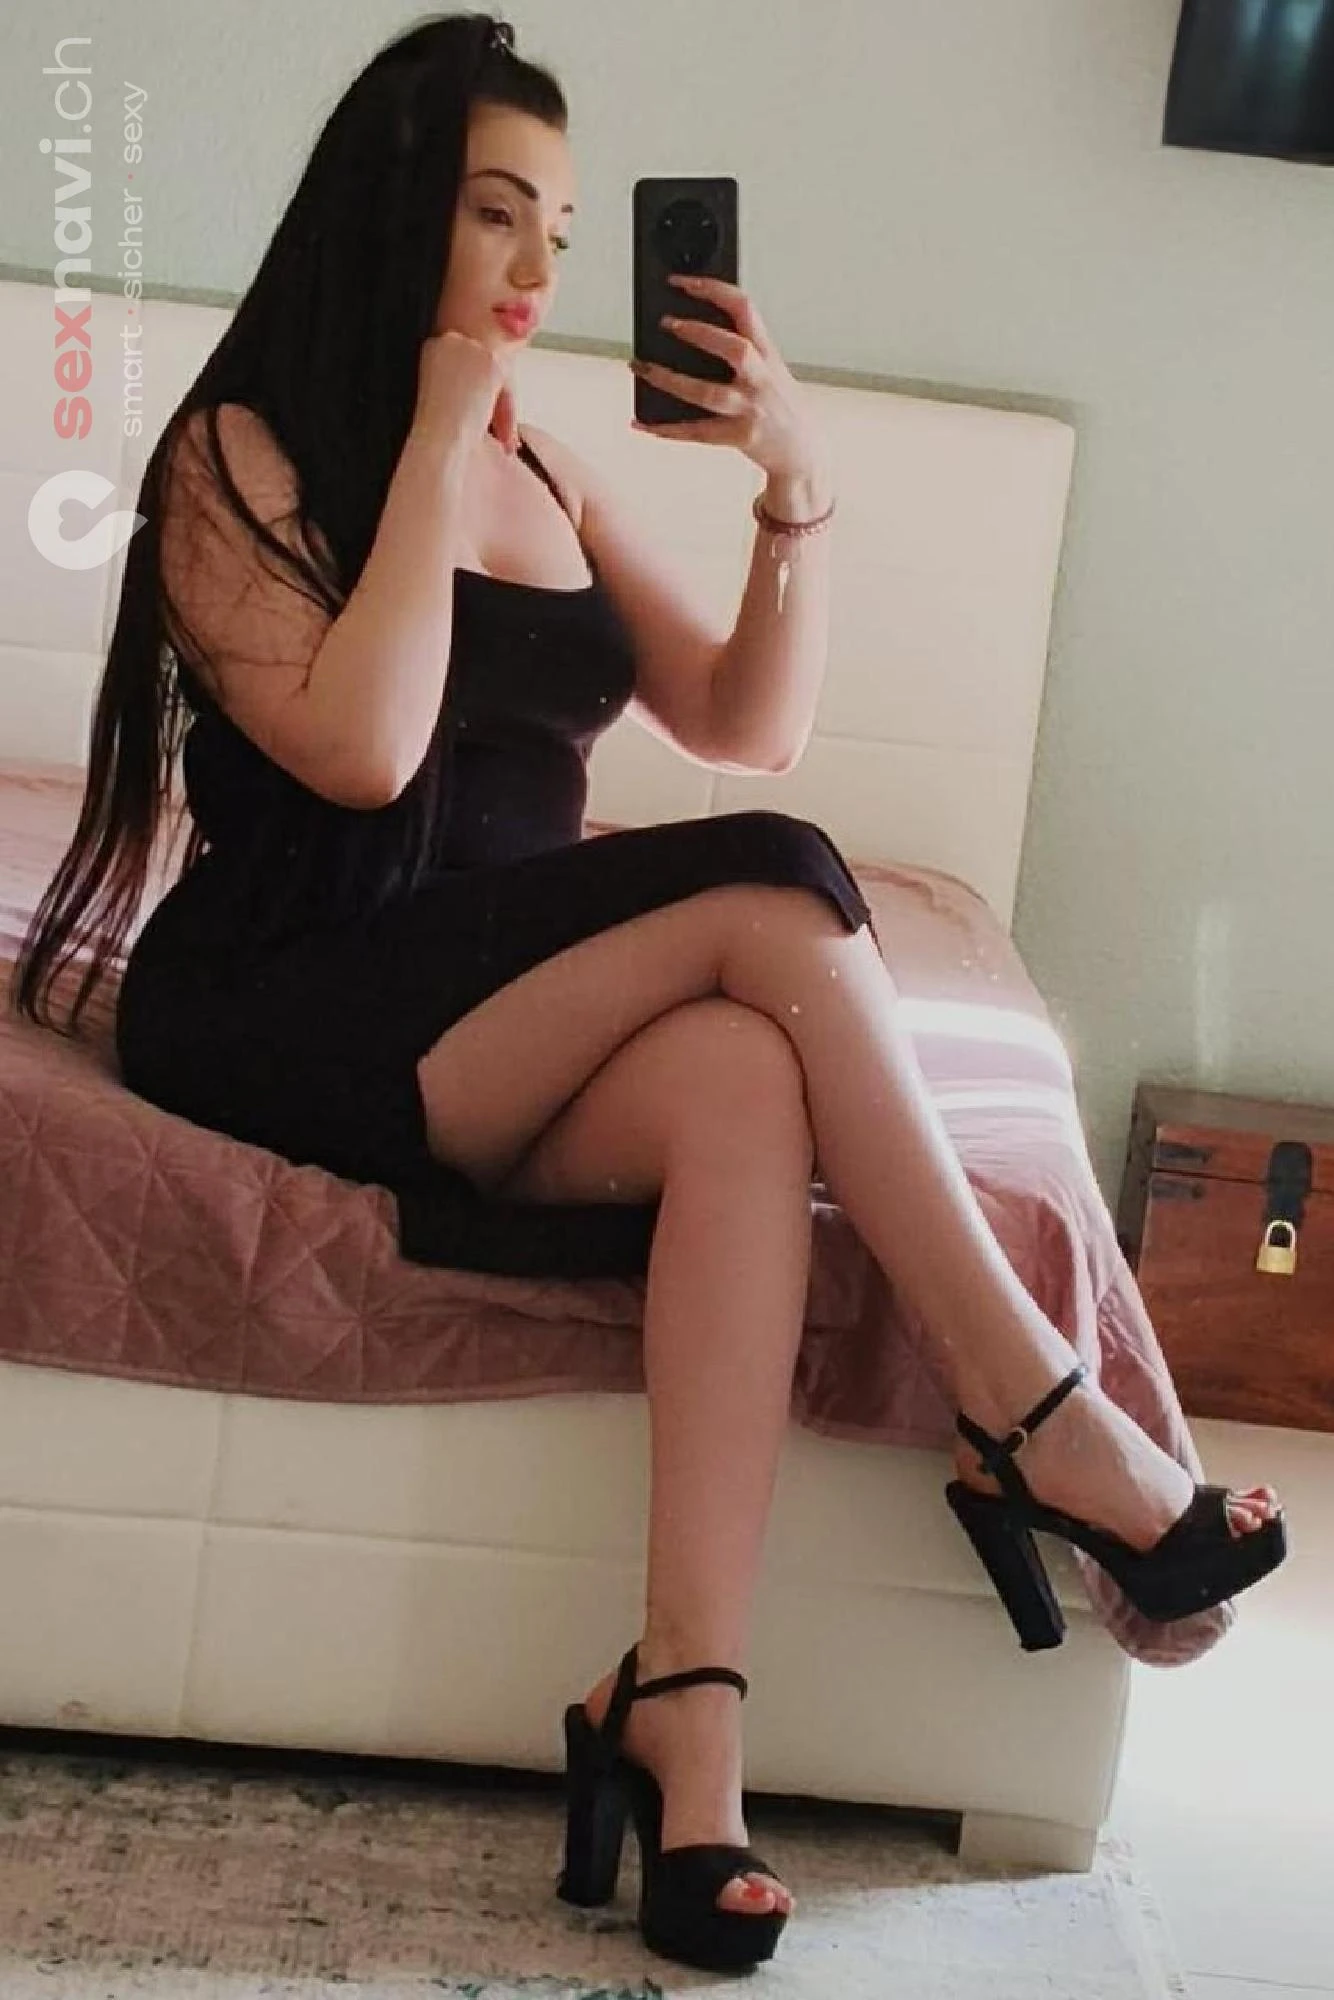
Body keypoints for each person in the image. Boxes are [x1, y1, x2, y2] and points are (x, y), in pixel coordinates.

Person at [8, 11, 1287, 1977]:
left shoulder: (543, 456)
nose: (537, 264)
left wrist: (794, 487)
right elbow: (362, 755)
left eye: (560, 223)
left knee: (743, 1082)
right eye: (493, 212)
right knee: (776, 890)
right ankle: (1039, 1410)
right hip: (293, 1002)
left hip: (497, 1016)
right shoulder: (233, 453)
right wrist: (430, 442)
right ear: (390, 214)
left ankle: (684, 1713)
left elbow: (743, 720)